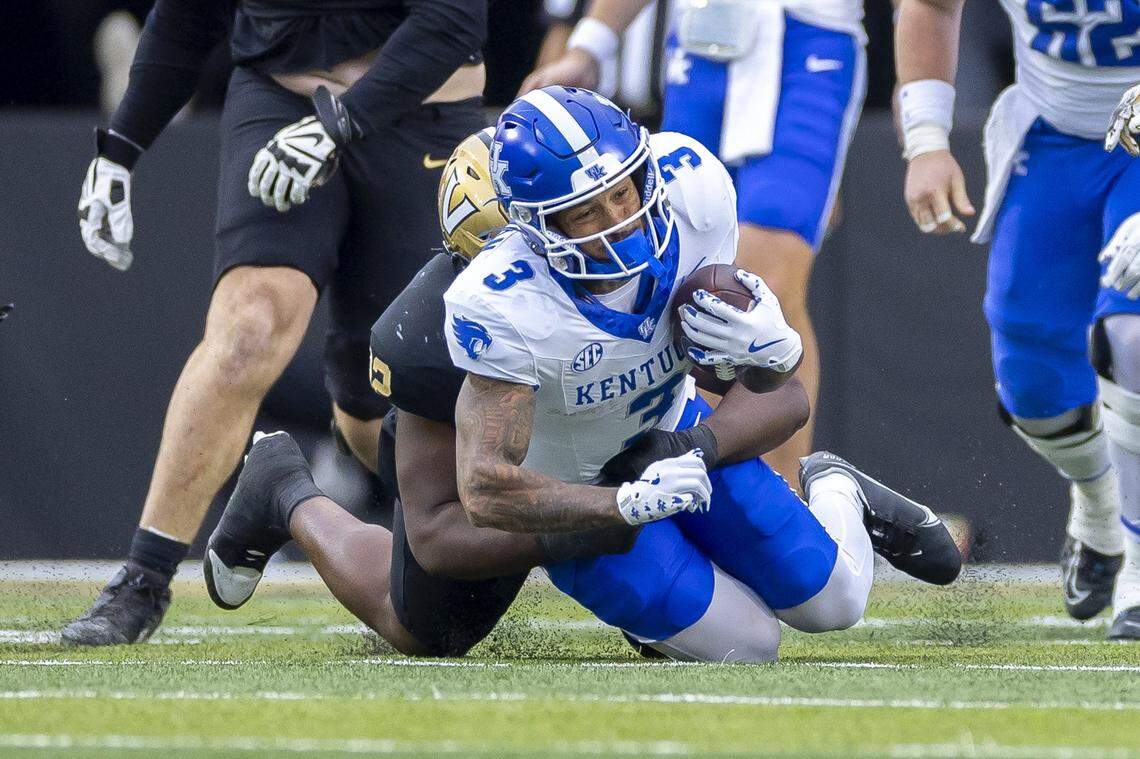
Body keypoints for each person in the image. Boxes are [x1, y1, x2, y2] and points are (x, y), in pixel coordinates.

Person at [203, 128, 819, 657]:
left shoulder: (634, 258)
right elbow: (440, 535)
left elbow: (773, 394)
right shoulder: (449, 335)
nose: (595, 250)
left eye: (593, 212)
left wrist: (700, 434)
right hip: (514, 479)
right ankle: (285, 490)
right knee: (429, 628)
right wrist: (599, 516)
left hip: (614, 449)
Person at [442, 86, 960, 660]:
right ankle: (672, 620)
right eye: (586, 210)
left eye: (623, 191)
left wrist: (773, 355)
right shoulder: (503, 301)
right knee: (749, 646)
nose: (620, 221)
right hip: (580, 497)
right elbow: (484, 489)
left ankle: (837, 487)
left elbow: (760, 389)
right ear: (536, 225)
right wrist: (624, 506)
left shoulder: (692, 191)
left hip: (675, 437)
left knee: (834, 604)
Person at [65, 0, 488, 646]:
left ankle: (294, 494)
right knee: (248, 329)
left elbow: (453, 21)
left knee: (384, 394)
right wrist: (119, 148)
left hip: (421, 108)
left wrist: (341, 122)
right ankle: (143, 577)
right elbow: (186, 18)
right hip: (284, 98)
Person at [520, 0, 868, 488]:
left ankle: (784, 489)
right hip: (701, 38)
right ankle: (695, 479)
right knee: (681, 277)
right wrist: (590, 46)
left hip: (808, 39)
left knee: (764, 288)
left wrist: (924, 108)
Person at [895, 0, 1140, 638]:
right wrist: (926, 140)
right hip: (1054, 134)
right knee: (1033, 382)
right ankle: (1099, 507)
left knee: (1132, 338)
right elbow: (931, 6)